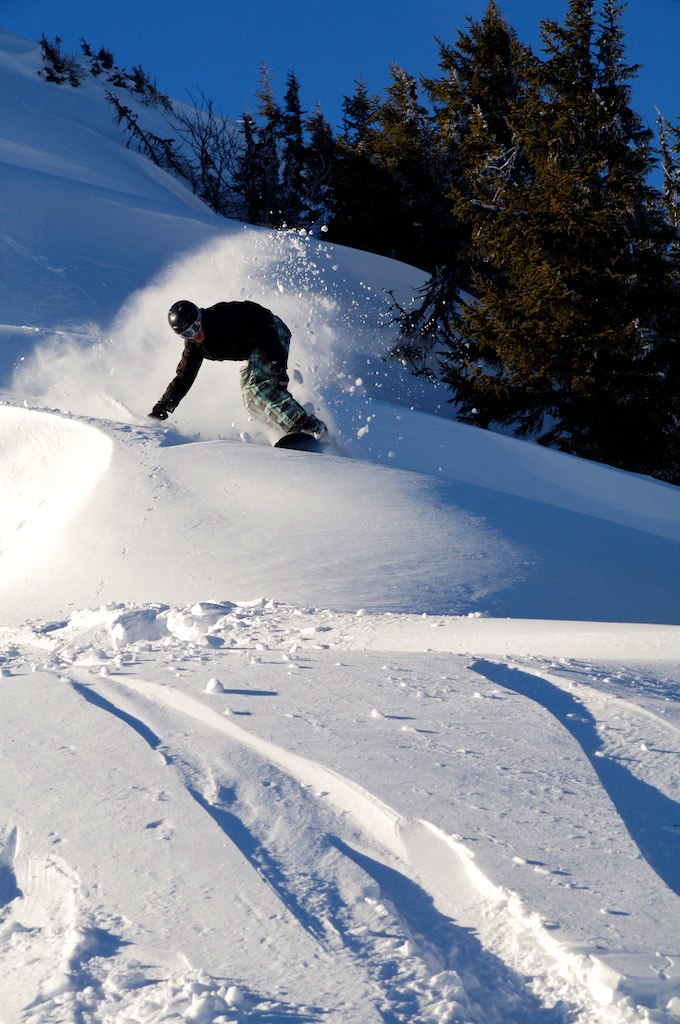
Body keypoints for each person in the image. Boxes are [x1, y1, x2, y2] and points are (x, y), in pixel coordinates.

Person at [149, 299, 328, 440]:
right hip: (256, 349)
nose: (196, 335)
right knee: (250, 402)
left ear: (200, 317)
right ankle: (285, 431)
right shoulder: (194, 347)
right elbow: (183, 377)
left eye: (196, 327)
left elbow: (264, 327)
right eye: (187, 333)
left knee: (258, 388)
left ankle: (305, 425)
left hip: (271, 333)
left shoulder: (222, 318)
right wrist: (162, 407)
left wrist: (277, 365)